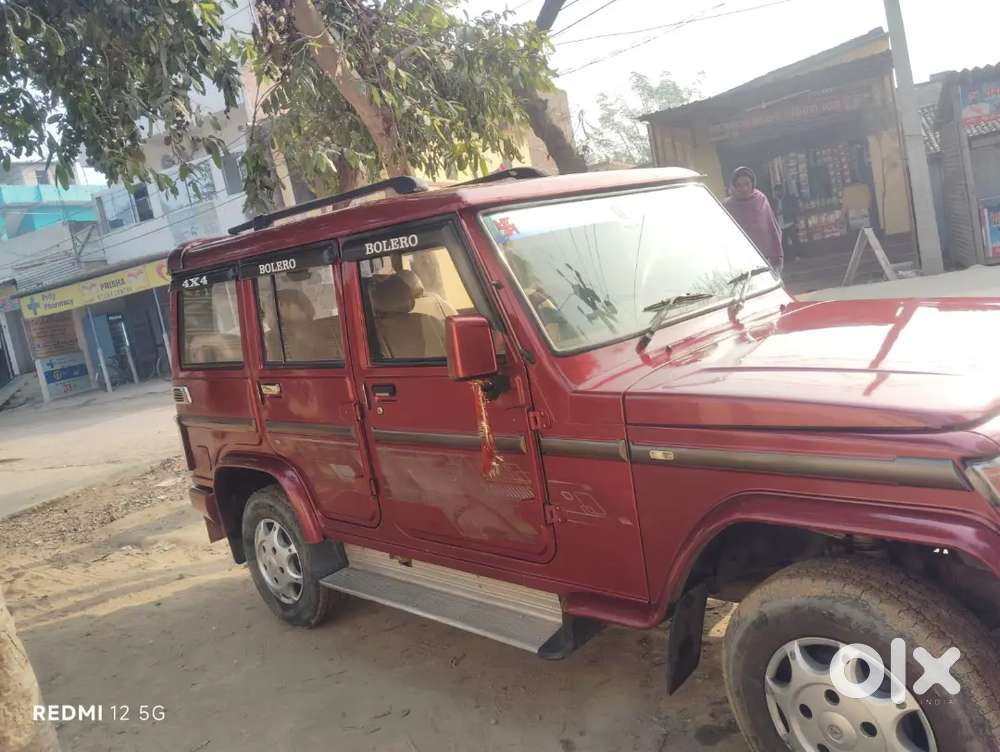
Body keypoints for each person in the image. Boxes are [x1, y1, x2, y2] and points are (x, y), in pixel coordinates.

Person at [724, 166, 783, 273]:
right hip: (741, 263)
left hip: (766, 260)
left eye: (747, 184)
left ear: (752, 184)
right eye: (739, 185)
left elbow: (772, 226)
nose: (744, 188)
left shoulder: (760, 199)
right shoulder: (728, 206)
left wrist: (776, 254)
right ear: (733, 186)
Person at [773, 183, 800, 261]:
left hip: (790, 223)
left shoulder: (789, 199)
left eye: (779, 191)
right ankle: (787, 258)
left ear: (782, 191)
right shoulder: (775, 202)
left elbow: (794, 209)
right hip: (780, 225)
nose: (778, 193)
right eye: (776, 192)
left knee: (795, 241)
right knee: (784, 243)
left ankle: (798, 256)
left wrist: (783, 212)